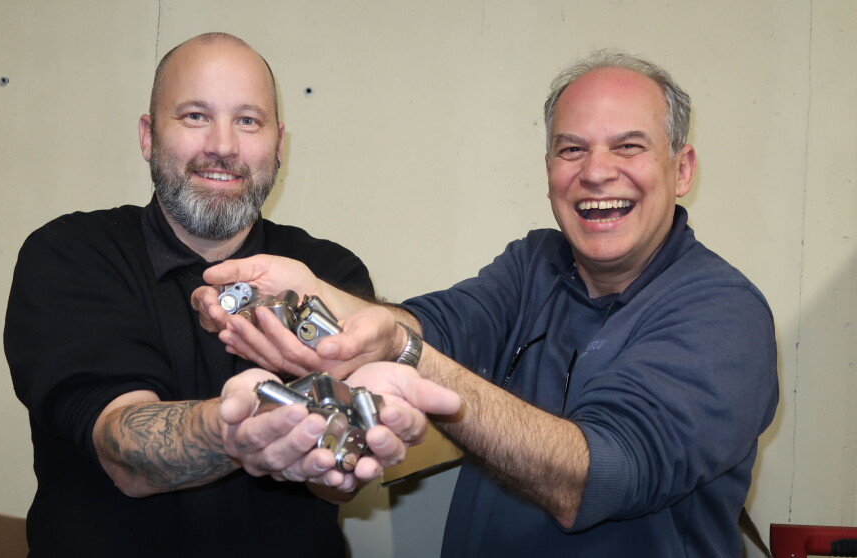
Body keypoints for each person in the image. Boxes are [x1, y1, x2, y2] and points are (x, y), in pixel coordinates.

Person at [193, 50, 780, 557]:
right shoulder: (536, 266)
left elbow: (593, 478)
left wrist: (406, 354)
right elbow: (433, 328)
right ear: (548, 168)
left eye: (629, 146)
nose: (597, 172)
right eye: (571, 149)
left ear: (682, 170)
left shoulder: (725, 314)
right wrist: (315, 300)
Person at [4, 32, 459, 558]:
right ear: (149, 136)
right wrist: (236, 430)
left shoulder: (329, 272)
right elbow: (125, 455)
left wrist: (351, 440)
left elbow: (334, 479)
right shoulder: (71, 254)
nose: (223, 145)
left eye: (248, 121)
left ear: (278, 145)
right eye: (196, 116)